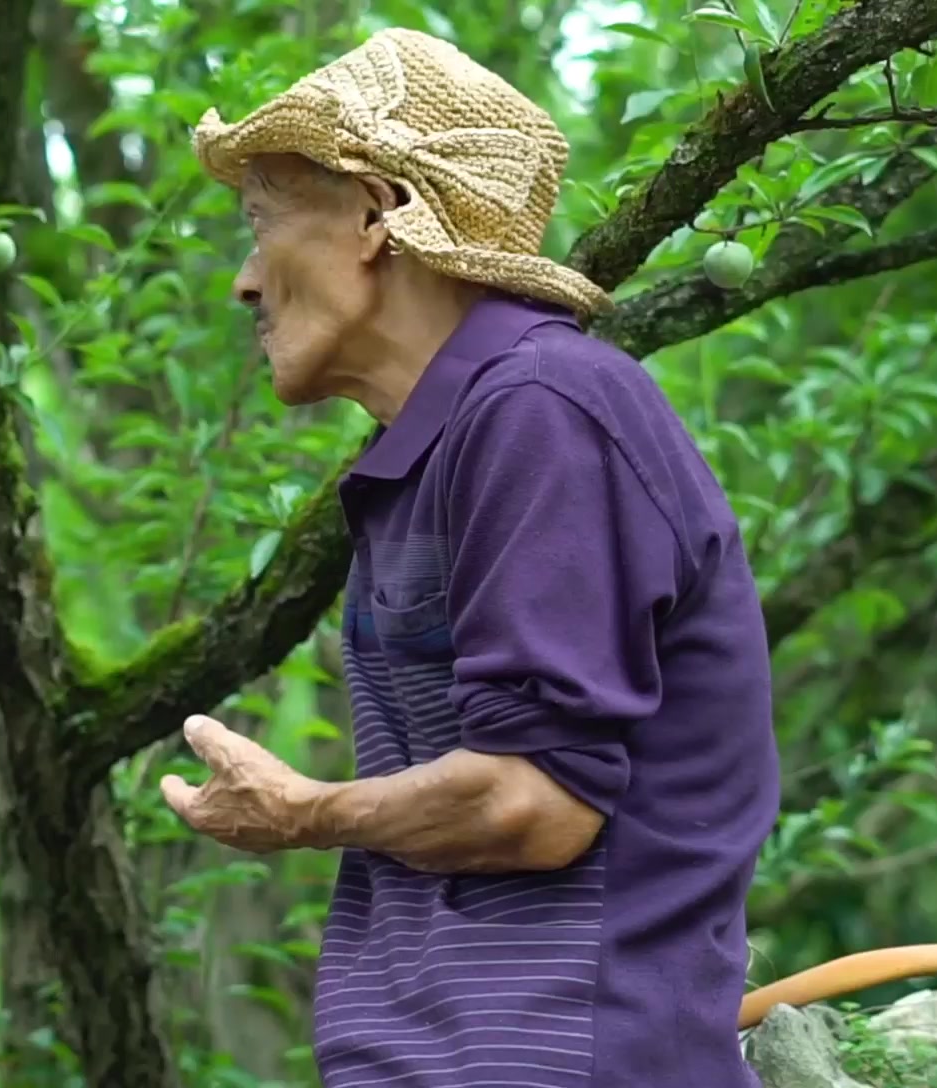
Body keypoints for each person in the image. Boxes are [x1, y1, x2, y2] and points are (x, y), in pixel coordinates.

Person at [159, 29, 780, 1088]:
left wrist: (304, 813)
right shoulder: (456, 436)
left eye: (262, 224)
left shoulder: (540, 408)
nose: (244, 282)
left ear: (375, 212)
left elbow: (528, 802)